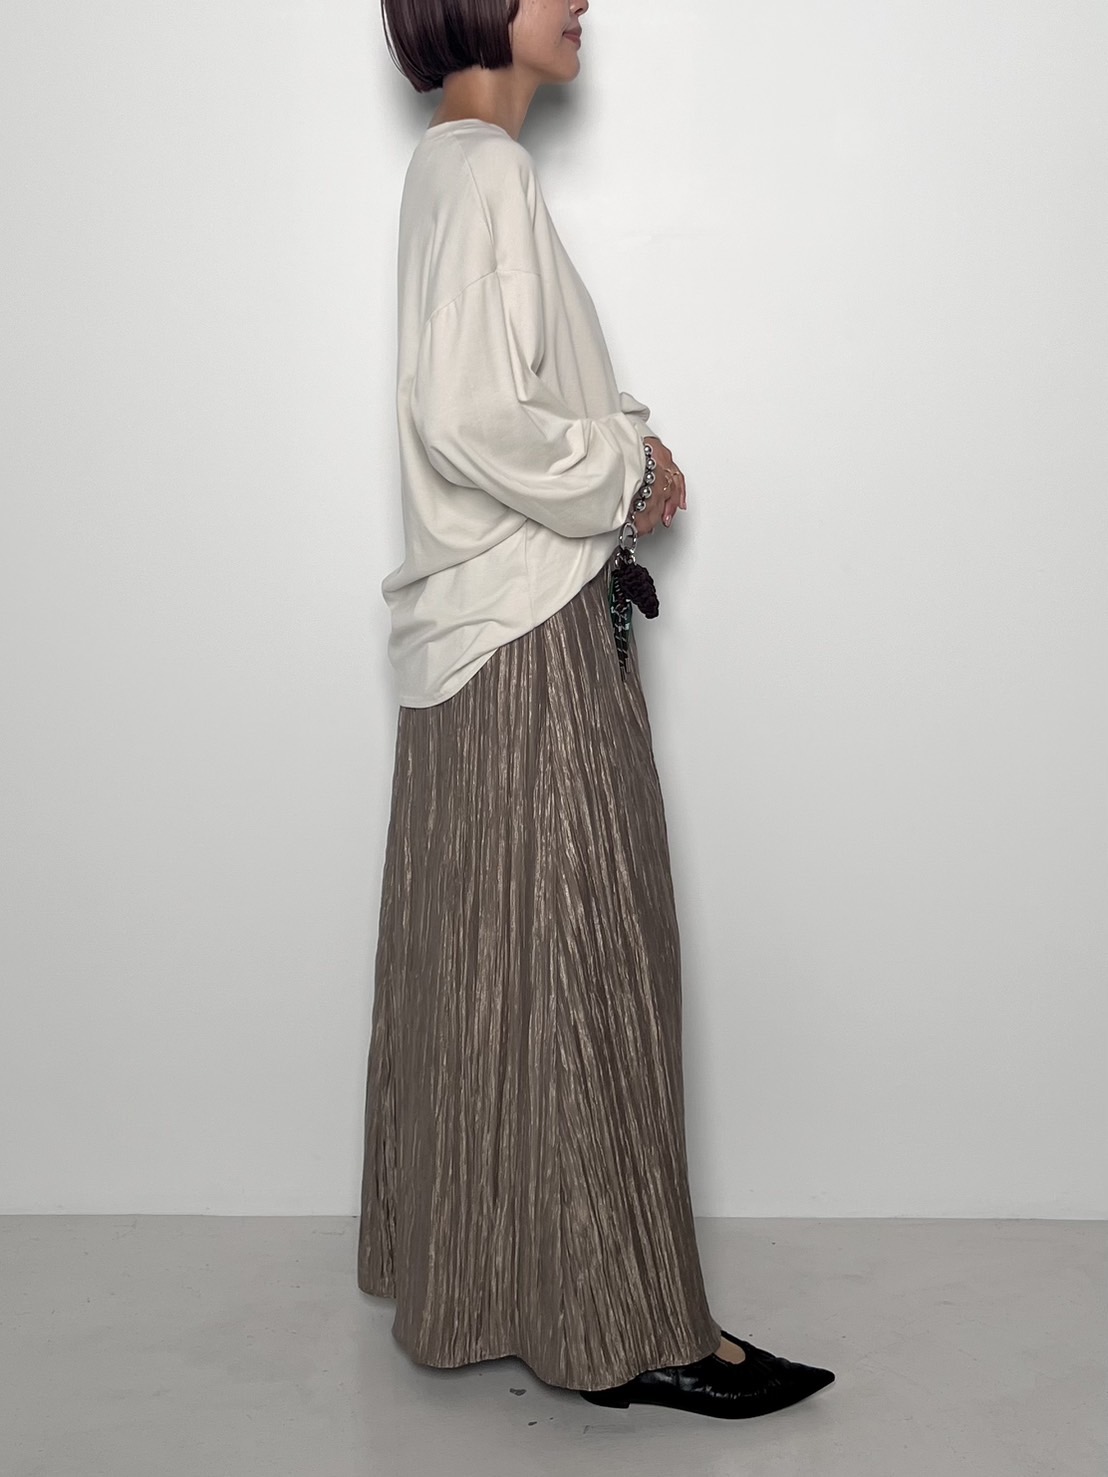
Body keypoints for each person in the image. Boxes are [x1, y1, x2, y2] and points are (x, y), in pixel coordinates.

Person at [356, 0, 836, 1419]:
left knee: (498, 959)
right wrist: (628, 467)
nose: (583, 3)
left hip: (478, 635)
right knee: (591, 950)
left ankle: (493, 1284)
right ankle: (628, 1329)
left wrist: (624, 439)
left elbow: (486, 398)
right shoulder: (484, 172)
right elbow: (468, 416)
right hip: (525, 628)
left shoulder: (448, 169)